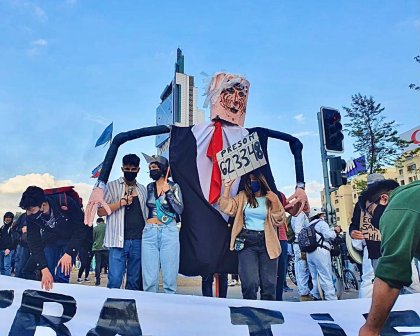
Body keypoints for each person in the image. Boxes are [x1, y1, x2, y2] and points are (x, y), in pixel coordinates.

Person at [359, 179, 419, 336]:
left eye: (371, 212)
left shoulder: (396, 206)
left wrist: (370, 329)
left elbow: (393, 272)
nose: (373, 220)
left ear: (384, 199)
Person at [219, 170, 287, 300]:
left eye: (255, 179)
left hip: (268, 243)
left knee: (269, 285)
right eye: (249, 180)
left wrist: (276, 203)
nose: (252, 182)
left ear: (261, 181)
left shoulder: (271, 197)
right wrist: (227, 188)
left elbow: (280, 220)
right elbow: (226, 207)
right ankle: (250, 314)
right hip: (247, 242)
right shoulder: (243, 196)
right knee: (250, 283)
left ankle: (267, 316)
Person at [19, 186, 85, 290]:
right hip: (51, 240)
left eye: (31, 210)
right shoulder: (31, 215)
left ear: (43, 205)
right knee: (47, 273)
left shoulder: (65, 202)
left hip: (70, 239)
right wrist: (43, 267)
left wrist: (69, 252)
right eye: (27, 210)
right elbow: (33, 241)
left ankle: (60, 301)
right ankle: (47, 299)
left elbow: (81, 228)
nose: (28, 213)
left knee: (62, 275)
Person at [97, 153, 148, 290]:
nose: (130, 172)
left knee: (134, 279)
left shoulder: (143, 189)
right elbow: (100, 211)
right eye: (127, 169)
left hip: (138, 240)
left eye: (133, 170)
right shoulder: (111, 186)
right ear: (122, 169)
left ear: (138, 170)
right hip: (117, 240)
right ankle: (111, 308)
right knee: (115, 279)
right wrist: (120, 203)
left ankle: (130, 308)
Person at [142, 153, 184, 293]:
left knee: (170, 278)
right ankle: (150, 308)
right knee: (149, 279)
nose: (152, 169)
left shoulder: (174, 186)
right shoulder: (149, 187)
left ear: (163, 168)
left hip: (169, 230)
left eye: (155, 166)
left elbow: (180, 209)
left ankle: (169, 310)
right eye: (150, 167)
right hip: (150, 231)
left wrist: (169, 193)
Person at [305, 207, 341, 301]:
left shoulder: (308, 226)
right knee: (326, 276)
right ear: (319, 215)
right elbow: (328, 235)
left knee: (314, 277)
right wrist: (336, 231)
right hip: (321, 251)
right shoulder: (321, 223)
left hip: (310, 253)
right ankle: (331, 299)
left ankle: (316, 295)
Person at [291, 211, 311, 301]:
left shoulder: (296, 215)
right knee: (302, 268)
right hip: (301, 245)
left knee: (300, 268)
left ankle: (303, 291)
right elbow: (298, 232)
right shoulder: (300, 215)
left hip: (298, 244)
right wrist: (302, 246)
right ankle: (304, 293)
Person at [92, 217, 108, 286]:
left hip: (97, 248)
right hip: (106, 247)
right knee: (109, 264)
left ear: (98, 222)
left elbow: (93, 238)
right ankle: (110, 280)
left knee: (97, 264)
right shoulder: (107, 227)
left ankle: (97, 281)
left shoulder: (95, 228)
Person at [0, 212, 16, 276]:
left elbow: (15, 239)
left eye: (9, 217)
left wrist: (9, 249)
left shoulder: (13, 228)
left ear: (12, 219)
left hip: (8, 250)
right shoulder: (2, 227)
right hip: (1, 249)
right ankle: (4, 281)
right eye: (6, 217)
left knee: (7, 266)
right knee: (1, 266)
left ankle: (8, 282)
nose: (8, 219)